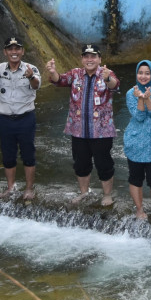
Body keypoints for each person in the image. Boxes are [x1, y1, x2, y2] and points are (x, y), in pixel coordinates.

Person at [46, 44, 120, 205]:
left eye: (93, 56)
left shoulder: (106, 74)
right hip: (78, 130)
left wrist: (108, 78)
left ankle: (107, 195)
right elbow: (60, 81)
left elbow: (115, 85)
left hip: (101, 131)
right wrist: (53, 73)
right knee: (80, 164)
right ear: (82, 59)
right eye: (86, 56)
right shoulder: (75, 74)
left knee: (104, 164)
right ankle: (84, 193)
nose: (89, 59)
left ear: (99, 59)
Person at [0, 37, 41, 200]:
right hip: (5, 120)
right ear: (5, 52)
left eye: (17, 49)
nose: (14, 52)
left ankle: (29, 189)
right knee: (8, 155)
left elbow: (36, 85)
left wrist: (30, 76)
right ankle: (11, 188)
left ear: (22, 51)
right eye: (10, 49)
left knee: (28, 154)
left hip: (26, 118)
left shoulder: (31, 68)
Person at [124, 59, 151, 219]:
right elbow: (139, 116)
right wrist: (140, 98)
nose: (143, 76)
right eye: (140, 73)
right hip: (135, 140)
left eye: (147, 73)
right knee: (135, 178)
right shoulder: (131, 93)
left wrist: (147, 98)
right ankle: (139, 209)